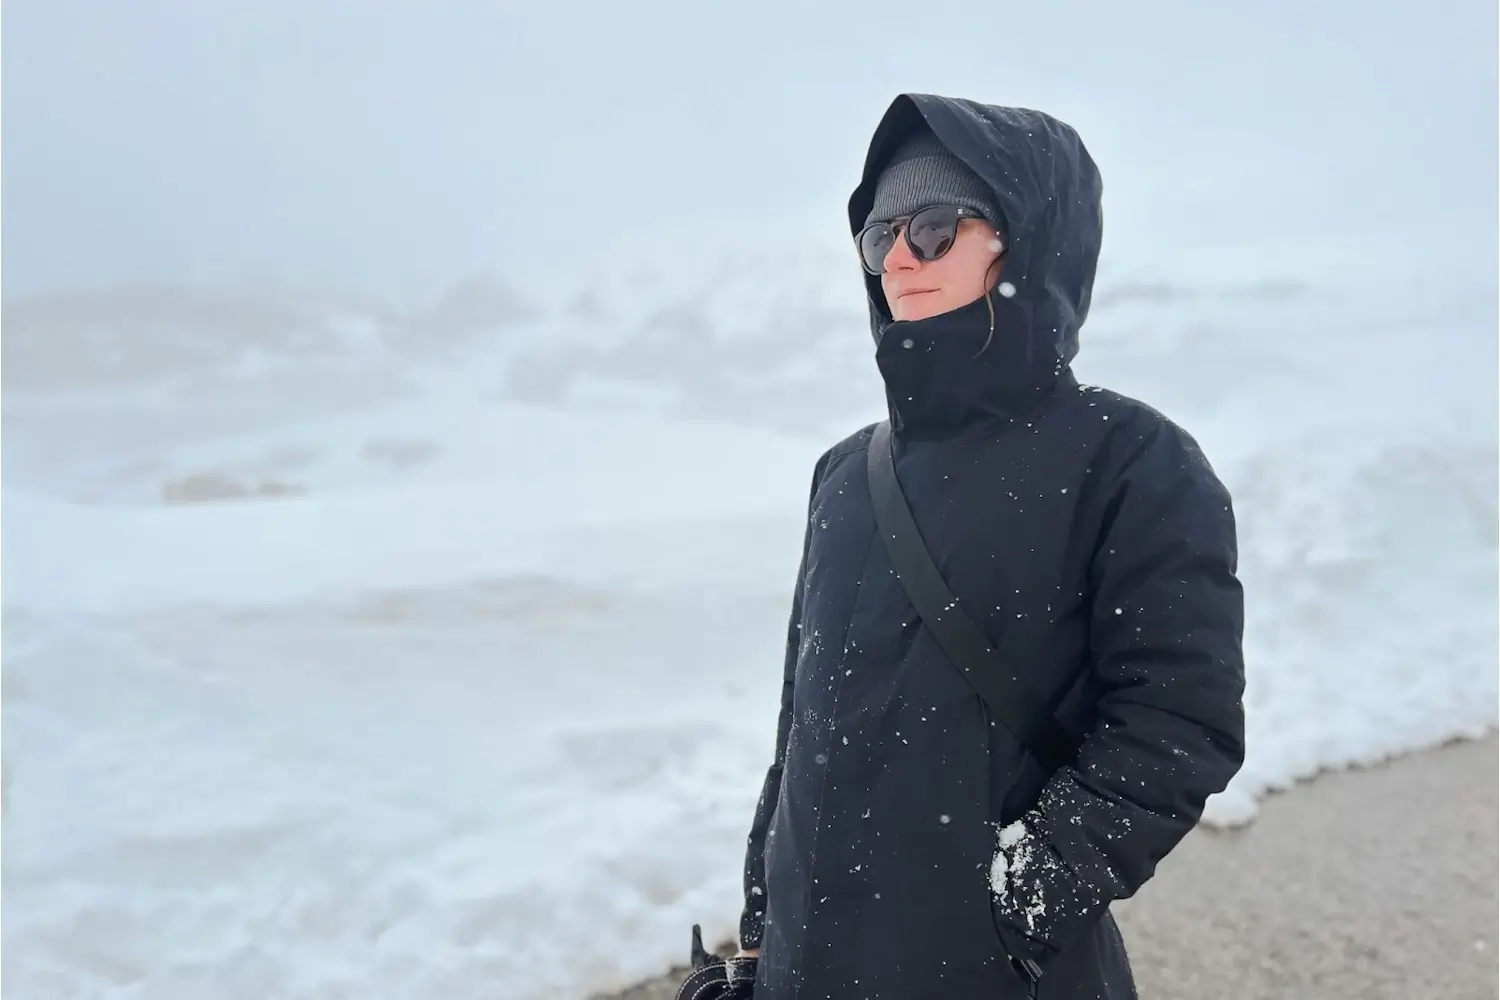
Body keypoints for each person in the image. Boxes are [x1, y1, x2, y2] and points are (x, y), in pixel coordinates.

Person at [732, 93, 1246, 998]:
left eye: (932, 228)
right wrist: (765, 914)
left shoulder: (1130, 461)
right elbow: (801, 719)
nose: (897, 258)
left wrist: (1019, 906)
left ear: (1028, 239)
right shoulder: (846, 476)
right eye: (878, 234)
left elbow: (1176, 723)